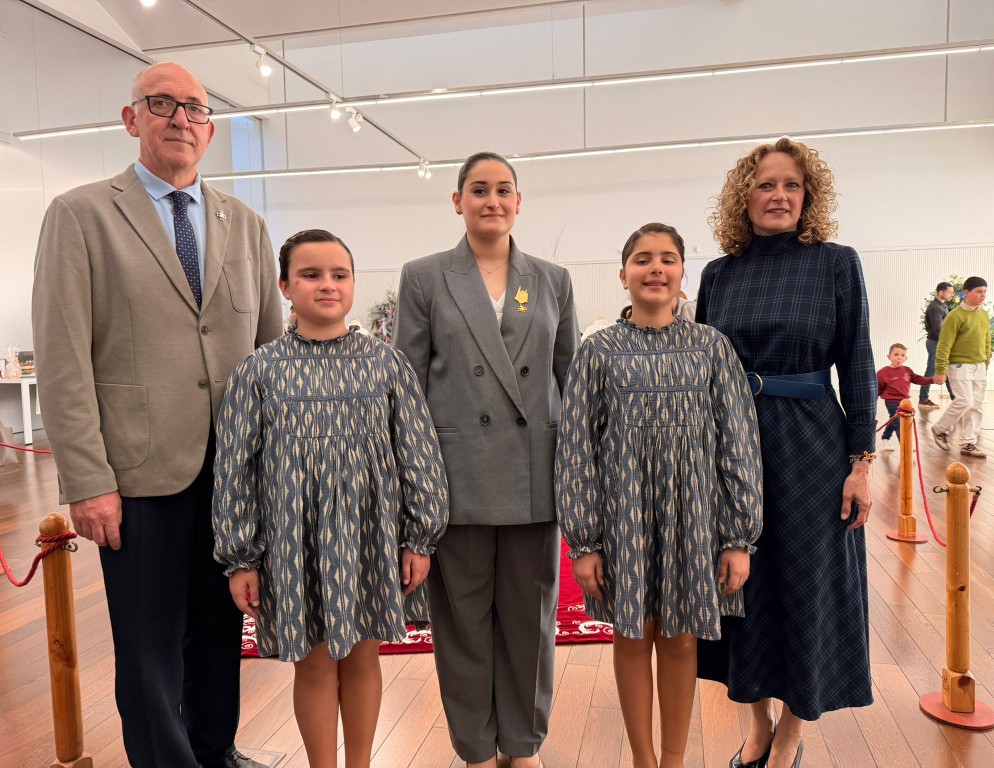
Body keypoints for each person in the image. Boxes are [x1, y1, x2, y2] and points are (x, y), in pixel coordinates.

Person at [31, 63, 280, 768]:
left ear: (210, 129)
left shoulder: (247, 225)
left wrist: (271, 469)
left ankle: (215, 750)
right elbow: (63, 356)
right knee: (148, 645)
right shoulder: (80, 215)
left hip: (233, 477)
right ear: (131, 118)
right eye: (161, 104)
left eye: (194, 108)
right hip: (135, 479)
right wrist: (88, 479)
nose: (179, 118)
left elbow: (266, 357)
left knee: (216, 629)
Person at [213, 229, 449, 768]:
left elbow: (418, 453)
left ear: (352, 283)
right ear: (284, 287)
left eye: (339, 274)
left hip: (371, 537)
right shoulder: (258, 372)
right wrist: (240, 557)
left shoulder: (386, 365)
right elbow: (235, 472)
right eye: (311, 275)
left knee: (365, 658)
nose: (327, 285)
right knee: (314, 665)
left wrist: (420, 536)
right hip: (294, 543)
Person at [393, 151, 579, 768]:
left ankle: (522, 747)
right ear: (457, 201)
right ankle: (474, 747)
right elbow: (407, 390)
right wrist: (413, 489)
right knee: (463, 624)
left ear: (519, 202)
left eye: (503, 190)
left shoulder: (552, 279)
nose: (491, 200)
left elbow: (571, 383)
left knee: (532, 622)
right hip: (456, 478)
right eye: (479, 189)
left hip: (534, 475)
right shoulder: (424, 277)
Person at [695, 137, 876, 768]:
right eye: (766, 184)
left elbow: (855, 361)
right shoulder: (720, 273)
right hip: (733, 443)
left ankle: (794, 730)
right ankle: (756, 723)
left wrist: (860, 462)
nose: (779, 195)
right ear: (744, 198)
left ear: (808, 196)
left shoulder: (836, 262)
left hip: (812, 443)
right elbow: (704, 367)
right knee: (740, 581)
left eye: (792, 185)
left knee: (807, 582)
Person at [556, 223, 762, 768]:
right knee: (632, 636)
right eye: (642, 259)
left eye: (667, 259)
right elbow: (575, 448)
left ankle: (673, 759)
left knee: (680, 638)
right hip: (622, 519)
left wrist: (739, 537)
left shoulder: (711, 348)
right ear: (623, 274)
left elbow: (738, 443)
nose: (655, 269)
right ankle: (643, 759)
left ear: (682, 274)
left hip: (695, 520)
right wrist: (584, 541)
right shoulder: (598, 352)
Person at [930, 276, 991, 459]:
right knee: (965, 400)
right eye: (979, 291)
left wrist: (986, 360)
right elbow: (944, 345)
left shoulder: (983, 314)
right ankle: (940, 429)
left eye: (985, 292)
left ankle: (968, 443)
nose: (982, 296)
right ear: (966, 293)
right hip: (959, 365)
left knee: (976, 406)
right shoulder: (954, 316)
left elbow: (986, 339)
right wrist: (940, 370)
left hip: (979, 365)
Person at [876, 343, 940, 450]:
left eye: (902, 355)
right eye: (896, 354)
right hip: (891, 401)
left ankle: (885, 438)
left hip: (905, 401)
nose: (899, 357)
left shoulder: (907, 370)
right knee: (899, 422)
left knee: (893, 420)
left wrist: (932, 380)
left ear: (906, 358)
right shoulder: (883, 373)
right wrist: (872, 401)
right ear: (889, 357)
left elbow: (918, 379)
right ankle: (905, 446)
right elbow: (877, 388)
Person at [920, 282, 955, 408]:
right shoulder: (935, 307)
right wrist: (949, 343)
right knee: (931, 371)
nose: (952, 294)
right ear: (941, 293)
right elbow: (938, 330)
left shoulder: (942, 305)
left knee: (947, 371)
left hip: (940, 343)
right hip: (936, 343)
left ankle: (955, 399)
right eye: (950, 292)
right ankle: (923, 399)